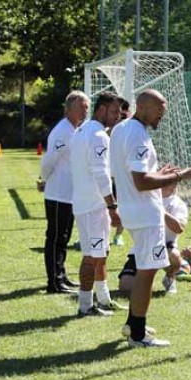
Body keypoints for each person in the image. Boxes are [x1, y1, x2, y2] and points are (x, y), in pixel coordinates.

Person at [110, 88, 191, 347]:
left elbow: (134, 173)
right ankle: (138, 335)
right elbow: (141, 182)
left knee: (146, 269)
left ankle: (133, 325)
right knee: (147, 272)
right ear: (142, 106)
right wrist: (179, 175)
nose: (162, 114)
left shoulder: (120, 129)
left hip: (134, 211)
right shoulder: (137, 133)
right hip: (145, 213)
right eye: (159, 109)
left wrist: (157, 172)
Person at [69, 91, 125, 316]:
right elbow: (101, 174)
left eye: (119, 113)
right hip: (94, 207)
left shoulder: (81, 130)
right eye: (113, 112)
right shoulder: (98, 135)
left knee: (100, 253)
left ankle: (103, 298)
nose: (116, 117)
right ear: (101, 109)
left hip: (86, 203)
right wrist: (112, 207)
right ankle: (85, 305)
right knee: (92, 257)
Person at [41, 91, 90, 294]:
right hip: (58, 194)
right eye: (82, 107)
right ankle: (54, 282)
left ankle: (61, 276)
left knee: (64, 238)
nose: (85, 111)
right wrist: (44, 179)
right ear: (69, 108)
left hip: (69, 195)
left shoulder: (74, 129)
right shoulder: (62, 131)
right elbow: (50, 159)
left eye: (87, 107)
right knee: (56, 238)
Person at [117, 181, 189, 294]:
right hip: (143, 246)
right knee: (125, 286)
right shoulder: (146, 198)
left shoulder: (178, 204)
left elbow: (179, 228)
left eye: (173, 182)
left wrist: (160, 210)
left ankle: (170, 277)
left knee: (174, 255)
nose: (169, 184)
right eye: (166, 180)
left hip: (165, 246)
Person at [111, 97, 133, 247]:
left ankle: (118, 235)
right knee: (100, 206)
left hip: (122, 176)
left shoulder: (131, 130)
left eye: (123, 116)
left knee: (123, 207)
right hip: (107, 176)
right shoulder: (106, 131)